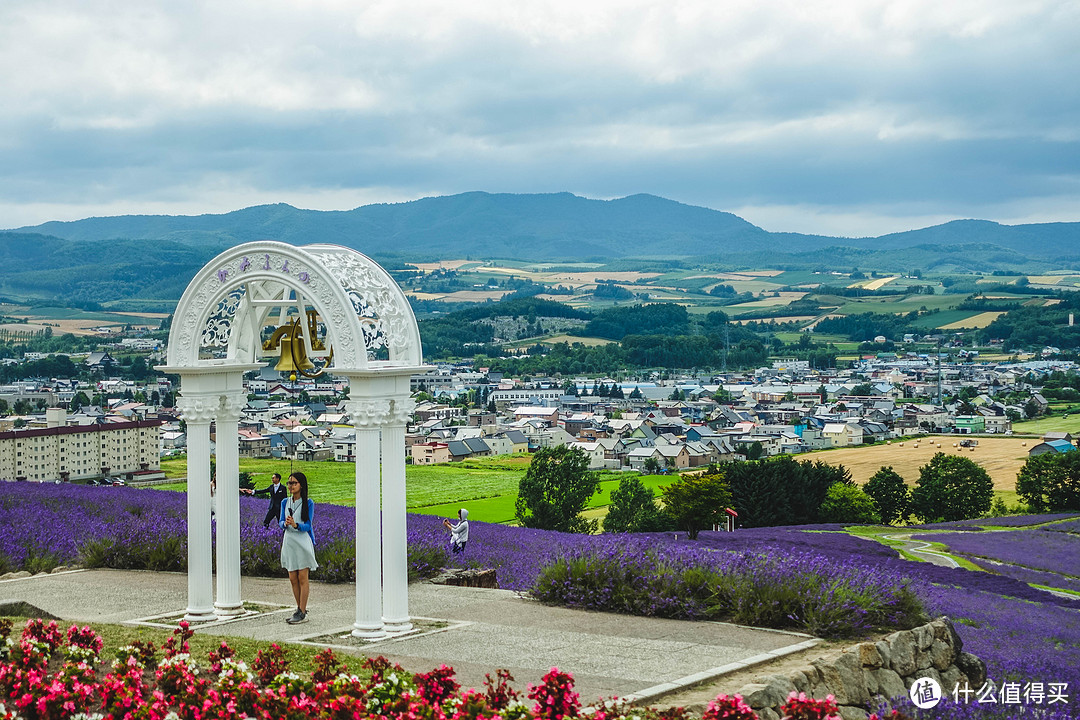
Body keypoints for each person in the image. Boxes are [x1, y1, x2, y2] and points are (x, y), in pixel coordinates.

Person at [279, 471, 317, 624]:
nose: (291, 486)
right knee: (292, 577)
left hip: (302, 541)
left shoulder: (308, 502)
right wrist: (285, 524)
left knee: (302, 577)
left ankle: (302, 611)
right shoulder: (284, 502)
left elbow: (308, 525)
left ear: (301, 485)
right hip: (289, 541)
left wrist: (296, 525)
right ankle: (298, 608)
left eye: (294, 483)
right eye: (289, 483)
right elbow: (280, 522)